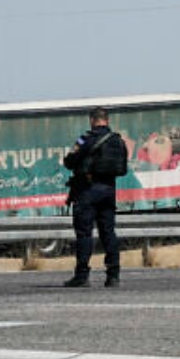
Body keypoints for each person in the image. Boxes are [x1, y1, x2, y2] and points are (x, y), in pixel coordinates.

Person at [62, 107, 126, 288]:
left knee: (84, 233)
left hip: (87, 191)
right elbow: (122, 168)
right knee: (108, 232)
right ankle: (113, 275)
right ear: (107, 120)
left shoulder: (85, 139)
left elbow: (69, 162)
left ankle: (82, 275)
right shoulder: (118, 141)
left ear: (92, 120)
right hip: (109, 191)